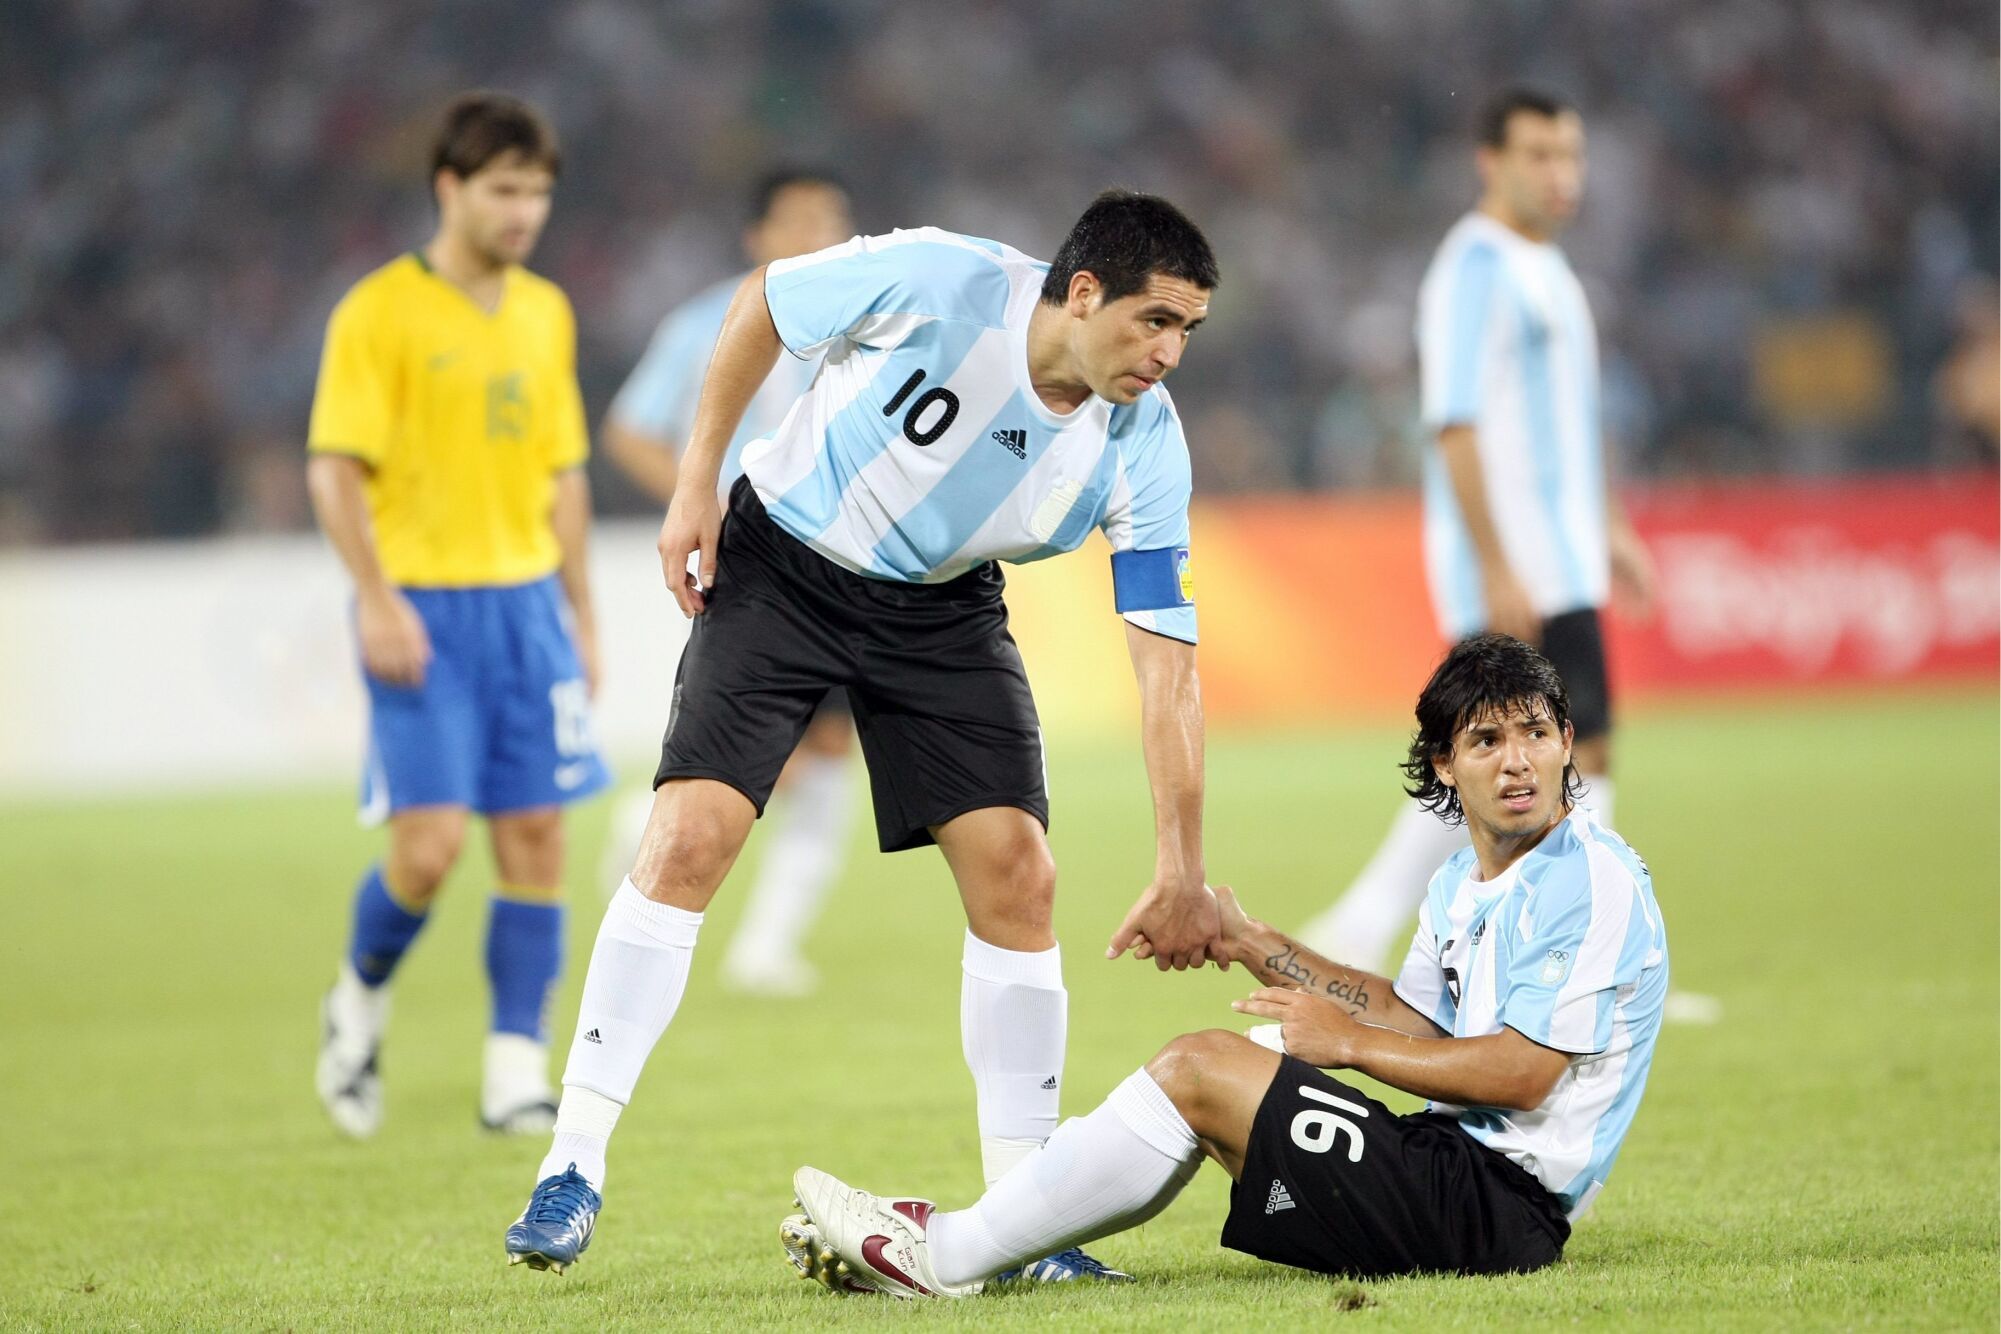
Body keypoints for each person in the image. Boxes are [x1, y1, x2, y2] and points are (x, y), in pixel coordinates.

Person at [503, 191, 1226, 1281]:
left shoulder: (1146, 442)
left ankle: (1023, 1224)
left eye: (1187, 331)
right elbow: (764, 301)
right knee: (692, 837)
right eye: (1155, 321)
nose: (1169, 354)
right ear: (1083, 293)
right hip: (784, 567)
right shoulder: (942, 280)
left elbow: (1166, 664)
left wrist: (1182, 867)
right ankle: (572, 1163)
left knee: (1020, 874)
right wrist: (696, 482)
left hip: (940, 611)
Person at [780, 633, 1668, 1297]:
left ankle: (944, 1256)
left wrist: (1347, 1045)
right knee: (1209, 1087)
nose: (1517, 762)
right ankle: (1012, 1250)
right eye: (1486, 741)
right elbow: (1420, 1022)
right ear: (1444, 764)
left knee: (1202, 1071)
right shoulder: (1461, 882)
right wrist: (1252, 943)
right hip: (1447, 1165)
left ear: (1566, 742)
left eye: (1535, 733)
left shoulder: (1588, 879)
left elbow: (1521, 1073)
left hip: (1500, 1208)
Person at [306, 92, 609, 1140]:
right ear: (450, 187)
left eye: (538, 192)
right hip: (421, 610)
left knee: (537, 836)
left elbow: (564, 475)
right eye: (504, 190)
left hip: (527, 607)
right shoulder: (378, 311)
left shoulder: (545, 311)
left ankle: (515, 1071)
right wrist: (375, 595)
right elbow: (333, 468)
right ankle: (357, 995)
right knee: (430, 848)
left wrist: (582, 616)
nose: (524, 212)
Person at [1300, 87, 1656, 970]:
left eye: (1569, 155)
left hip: (1562, 554)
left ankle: (1362, 928)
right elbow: (1452, 423)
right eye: (1538, 154)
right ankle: (1579, 953)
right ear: (1489, 162)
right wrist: (1494, 563)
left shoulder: (1549, 268)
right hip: (1518, 558)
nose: (1559, 173)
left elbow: (1571, 419)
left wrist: (1609, 526)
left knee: (1522, 745)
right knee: (1554, 747)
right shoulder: (1472, 267)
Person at [600, 170, 859, 997]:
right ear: (757, 236)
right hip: (752, 556)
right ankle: (640, 835)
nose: (819, 234)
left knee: (828, 745)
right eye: (799, 219)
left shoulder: (868, 317)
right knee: (765, 752)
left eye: (831, 219)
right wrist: (700, 499)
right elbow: (630, 429)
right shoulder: (705, 320)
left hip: (849, 556)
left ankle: (765, 947)